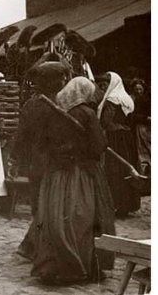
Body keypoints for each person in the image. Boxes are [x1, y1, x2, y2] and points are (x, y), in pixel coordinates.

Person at [30, 77, 115, 284]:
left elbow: (42, 143)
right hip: (81, 174)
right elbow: (98, 146)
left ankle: (55, 266)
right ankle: (80, 266)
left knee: (57, 217)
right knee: (83, 218)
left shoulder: (54, 113)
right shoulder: (86, 113)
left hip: (56, 176)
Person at [10, 61, 70, 259]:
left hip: (38, 161)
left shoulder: (32, 103)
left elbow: (21, 136)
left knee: (41, 204)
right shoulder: (59, 103)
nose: (64, 81)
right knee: (50, 205)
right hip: (52, 161)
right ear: (52, 81)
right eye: (61, 78)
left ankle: (34, 245)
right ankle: (35, 246)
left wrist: (16, 158)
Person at [96, 72, 139, 217]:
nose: (103, 88)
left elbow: (105, 122)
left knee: (114, 170)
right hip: (127, 139)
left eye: (105, 85)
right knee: (126, 169)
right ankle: (126, 205)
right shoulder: (127, 100)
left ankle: (115, 203)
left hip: (114, 138)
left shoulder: (111, 100)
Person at [129, 78, 150, 178]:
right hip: (138, 128)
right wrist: (145, 118)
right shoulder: (131, 100)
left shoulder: (147, 100)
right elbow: (131, 115)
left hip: (147, 128)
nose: (138, 91)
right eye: (136, 89)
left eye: (140, 89)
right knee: (141, 150)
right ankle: (144, 171)